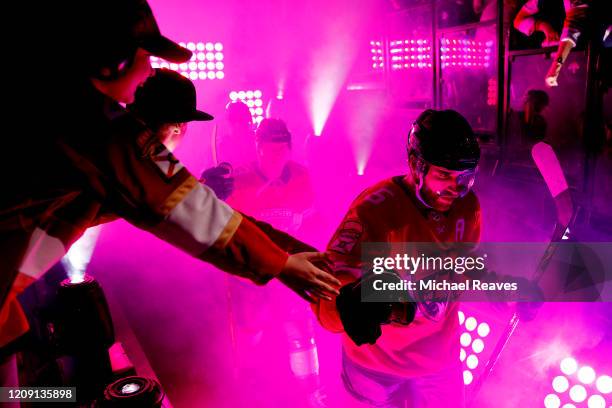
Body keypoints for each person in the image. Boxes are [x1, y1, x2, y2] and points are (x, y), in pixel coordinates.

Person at [1, 0, 339, 355]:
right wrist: (280, 264)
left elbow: (129, 199)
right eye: (144, 58)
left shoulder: (65, 115)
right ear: (111, 62)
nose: (149, 71)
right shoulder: (97, 128)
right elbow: (184, 206)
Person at [313, 110, 482, 408]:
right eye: (444, 175)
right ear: (417, 166)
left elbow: (465, 271)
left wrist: (506, 296)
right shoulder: (374, 211)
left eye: (464, 177)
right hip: (376, 366)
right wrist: (349, 302)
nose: (456, 188)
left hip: (439, 364)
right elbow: (327, 288)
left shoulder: (468, 207)